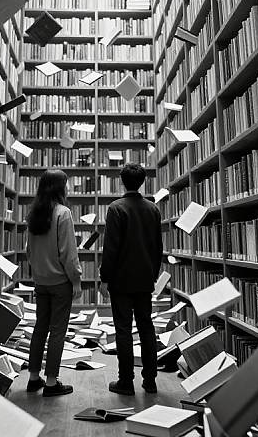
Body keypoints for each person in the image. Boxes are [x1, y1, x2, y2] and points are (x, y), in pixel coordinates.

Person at [99, 163, 163, 395]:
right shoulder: (153, 209)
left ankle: (126, 381)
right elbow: (158, 247)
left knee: (123, 330)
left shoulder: (116, 208)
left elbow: (111, 248)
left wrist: (104, 277)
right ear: (143, 181)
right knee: (147, 328)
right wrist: (152, 275)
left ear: (121, 181)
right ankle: (151, 381)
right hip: (145, 279)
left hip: (121, 281)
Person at [25, 169, 82, 397]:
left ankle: (33, 378)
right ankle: (50, 383)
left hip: (41, 281)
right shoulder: (63, 213)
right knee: (58, 331)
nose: (68, 189)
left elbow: (29, 251)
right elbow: (68, 253)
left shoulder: (34, 214)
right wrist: (76, 280)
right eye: (66, 185)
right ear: (59, 187)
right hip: (60, 282)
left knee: (40, 328)